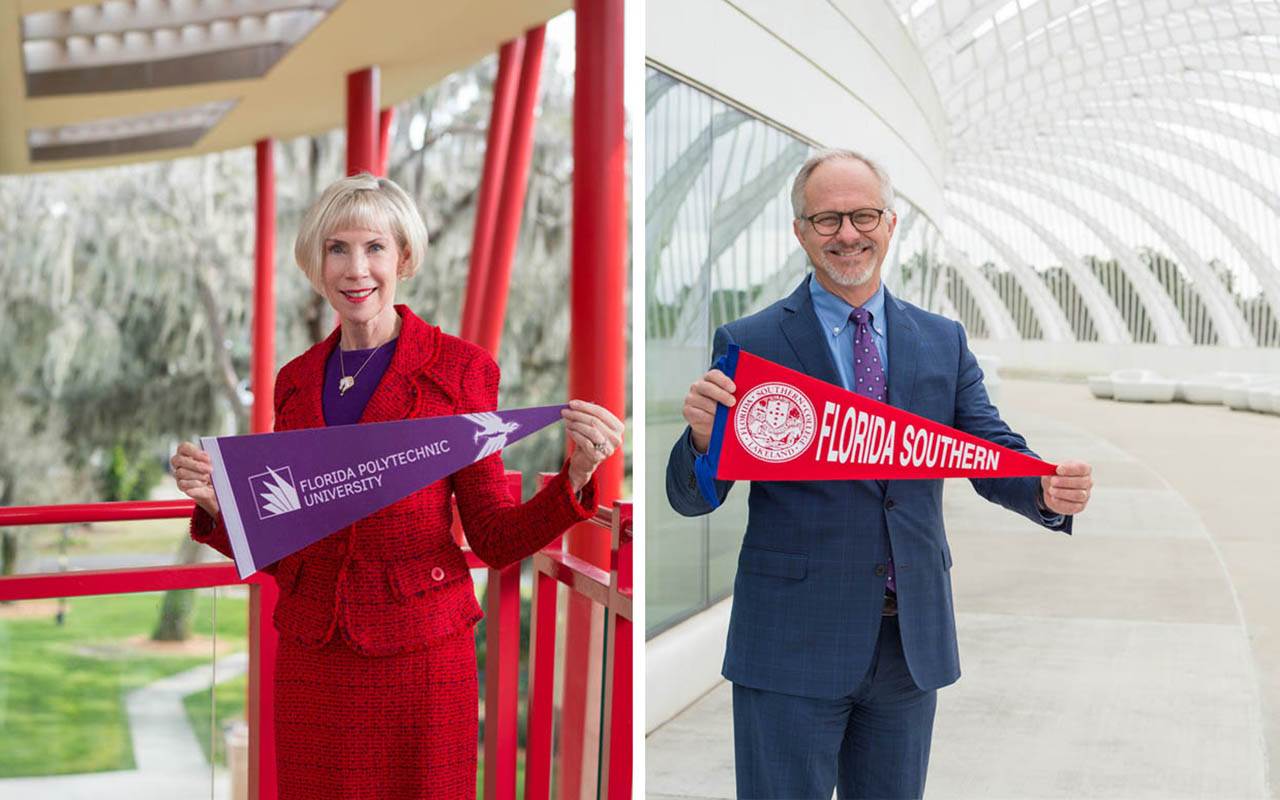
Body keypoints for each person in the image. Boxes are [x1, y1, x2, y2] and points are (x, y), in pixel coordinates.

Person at [170, 173, 624, 799]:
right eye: (338, 248)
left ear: (403, 258)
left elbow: (492, 537)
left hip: (421, 661)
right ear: (316, 262)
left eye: (375, 247)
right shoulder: (295, 381)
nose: (357, 268)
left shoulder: (462, 370)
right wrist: (223, 511)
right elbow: (286, 551)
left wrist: (576, 478)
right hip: (312, 660)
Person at [666, 149, 1093, 800]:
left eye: (863, 215)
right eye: (827, 219)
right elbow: (696, 496)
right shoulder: (753, 342)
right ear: (800, 232)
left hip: (907, 647)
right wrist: (702, 439)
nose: (847, 234)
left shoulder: (940, 341)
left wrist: (1041, 485)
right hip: (791, 644)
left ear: (891, 224)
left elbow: (985, 445)